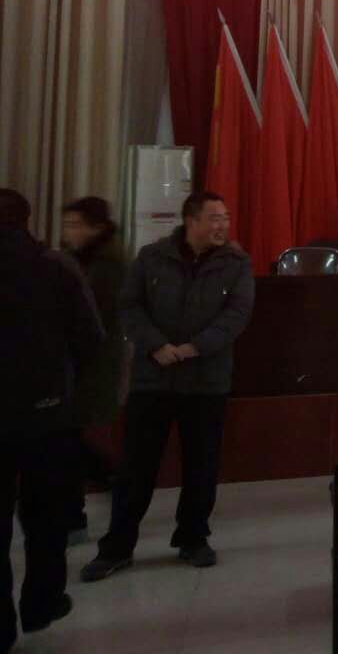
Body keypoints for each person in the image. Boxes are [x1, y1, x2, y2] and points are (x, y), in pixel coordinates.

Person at [83, 191, 254, 582]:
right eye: (214, 218)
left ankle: (193, 538)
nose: (223, 226)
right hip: (153, 379)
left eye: (225, 218)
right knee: (136, 468)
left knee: (201, 466)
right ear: (191, 221)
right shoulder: (152, 257)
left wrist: (196, 348)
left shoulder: (236, 264)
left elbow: (237, 315)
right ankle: (116, 548)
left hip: (206, 382)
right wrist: (156, 345)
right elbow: (129, 307)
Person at [1, 188, 103, 651]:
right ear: (28, 219)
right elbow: (90, 339)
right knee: (46, 518)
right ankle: (42, 603)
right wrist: (62, 385)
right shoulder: (56, 267)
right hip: (47, 415)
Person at [58, 197, 129, 541]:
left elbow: (90, 316)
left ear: (97, 228)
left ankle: (78, 514)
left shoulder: (109, 265)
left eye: (75, 225)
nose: (68, 232)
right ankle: (99, 490)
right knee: (67, 438)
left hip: (92, 364)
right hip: (72, 362)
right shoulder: (75, 258)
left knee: (67, 438)